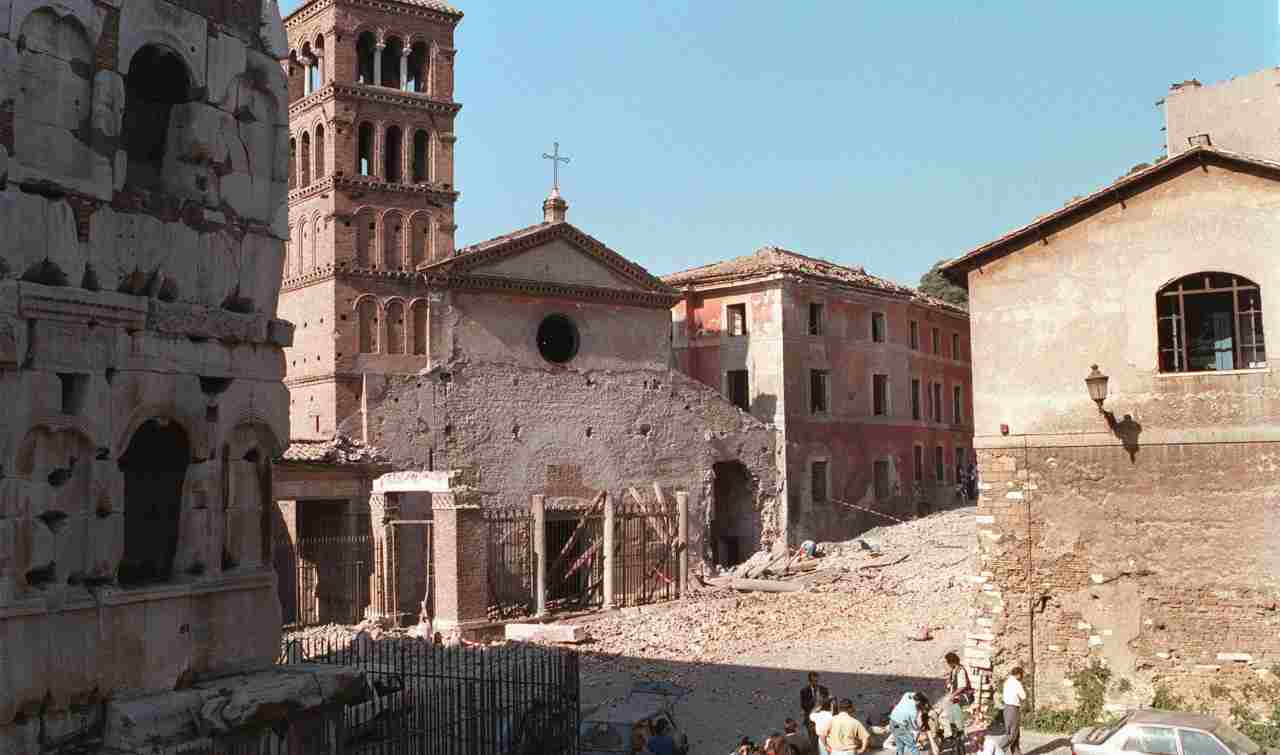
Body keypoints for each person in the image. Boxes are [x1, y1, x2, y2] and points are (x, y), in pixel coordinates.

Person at [941, 652, 973, 738]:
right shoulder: (954, 670)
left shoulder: (960, 671)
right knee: (948, 709)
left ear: (951, 662)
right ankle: (953, 730)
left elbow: (962, 686)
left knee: (952, 708)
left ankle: (958, 731)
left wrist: (952, 695)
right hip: (956, 695)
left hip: (963, 696)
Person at [800, 672, 830, 743]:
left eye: (817, 681)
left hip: (822, 718)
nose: (816, 683)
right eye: (813, 681)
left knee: (822, 739)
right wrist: (813, 700)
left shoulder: (824, 690)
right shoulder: (804, 691)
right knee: (812, 739)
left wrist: (825, 701)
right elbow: (804, 705)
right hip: (810, 719)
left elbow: (828, 705)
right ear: (809, 681)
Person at [1003, 667, 1027, 755]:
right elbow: (1023, 696)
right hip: (1013, 708)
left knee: (1013, 732)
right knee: (1012, 734)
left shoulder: (1007, 681)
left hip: (1006, 708)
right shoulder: (1017, 683)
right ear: (1018, 674)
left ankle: (1017, 753)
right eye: (1021, 675)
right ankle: (998, 749)